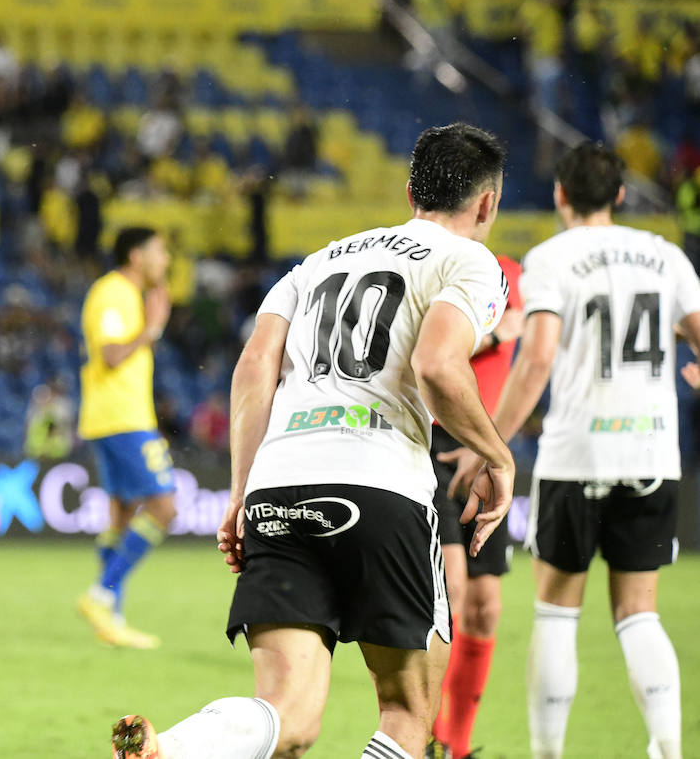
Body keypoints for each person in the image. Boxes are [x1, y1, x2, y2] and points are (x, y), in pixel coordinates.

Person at [115, 122, 516, 759]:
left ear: (410, 189)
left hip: (279, 484)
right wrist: (498, 453)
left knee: (288, 716)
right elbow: (438, 366)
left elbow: (254, 368)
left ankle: (179, 749)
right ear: (487, 203)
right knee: (407, 712)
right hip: (382, 484)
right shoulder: (470, 261)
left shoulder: (318, 261)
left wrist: (241, 495)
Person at [463, 143, 697, 759]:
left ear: (561, 195)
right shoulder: (665, 257)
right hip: (651, 456)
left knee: (556, 613)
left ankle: (547, 754)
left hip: (576, 457)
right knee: (639, 613)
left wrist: (492, 441)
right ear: (620, 195)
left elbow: (537, 357)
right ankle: (669, 748)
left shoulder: (551, 258)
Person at [425, 254, 523, 759]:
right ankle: (427, 735)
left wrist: (489, 443)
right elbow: (439, 350)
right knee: (452, 589)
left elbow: (526, 339)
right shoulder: (430, 268)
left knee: (485, 607)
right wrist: (500, 334)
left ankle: (455, 746)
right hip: (435, 445)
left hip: (486, 455)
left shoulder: (511, 272)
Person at [76, 226, 175, 650]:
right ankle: (101, 594)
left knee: (120, 514)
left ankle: (111, 617)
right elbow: (112, 354)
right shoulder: (113, 293)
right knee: (165, 508)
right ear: (135, 256)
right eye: (159, 251)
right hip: (123, 418)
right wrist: (151, 329)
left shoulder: (122, 294)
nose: (165, 260)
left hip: (110, 416)